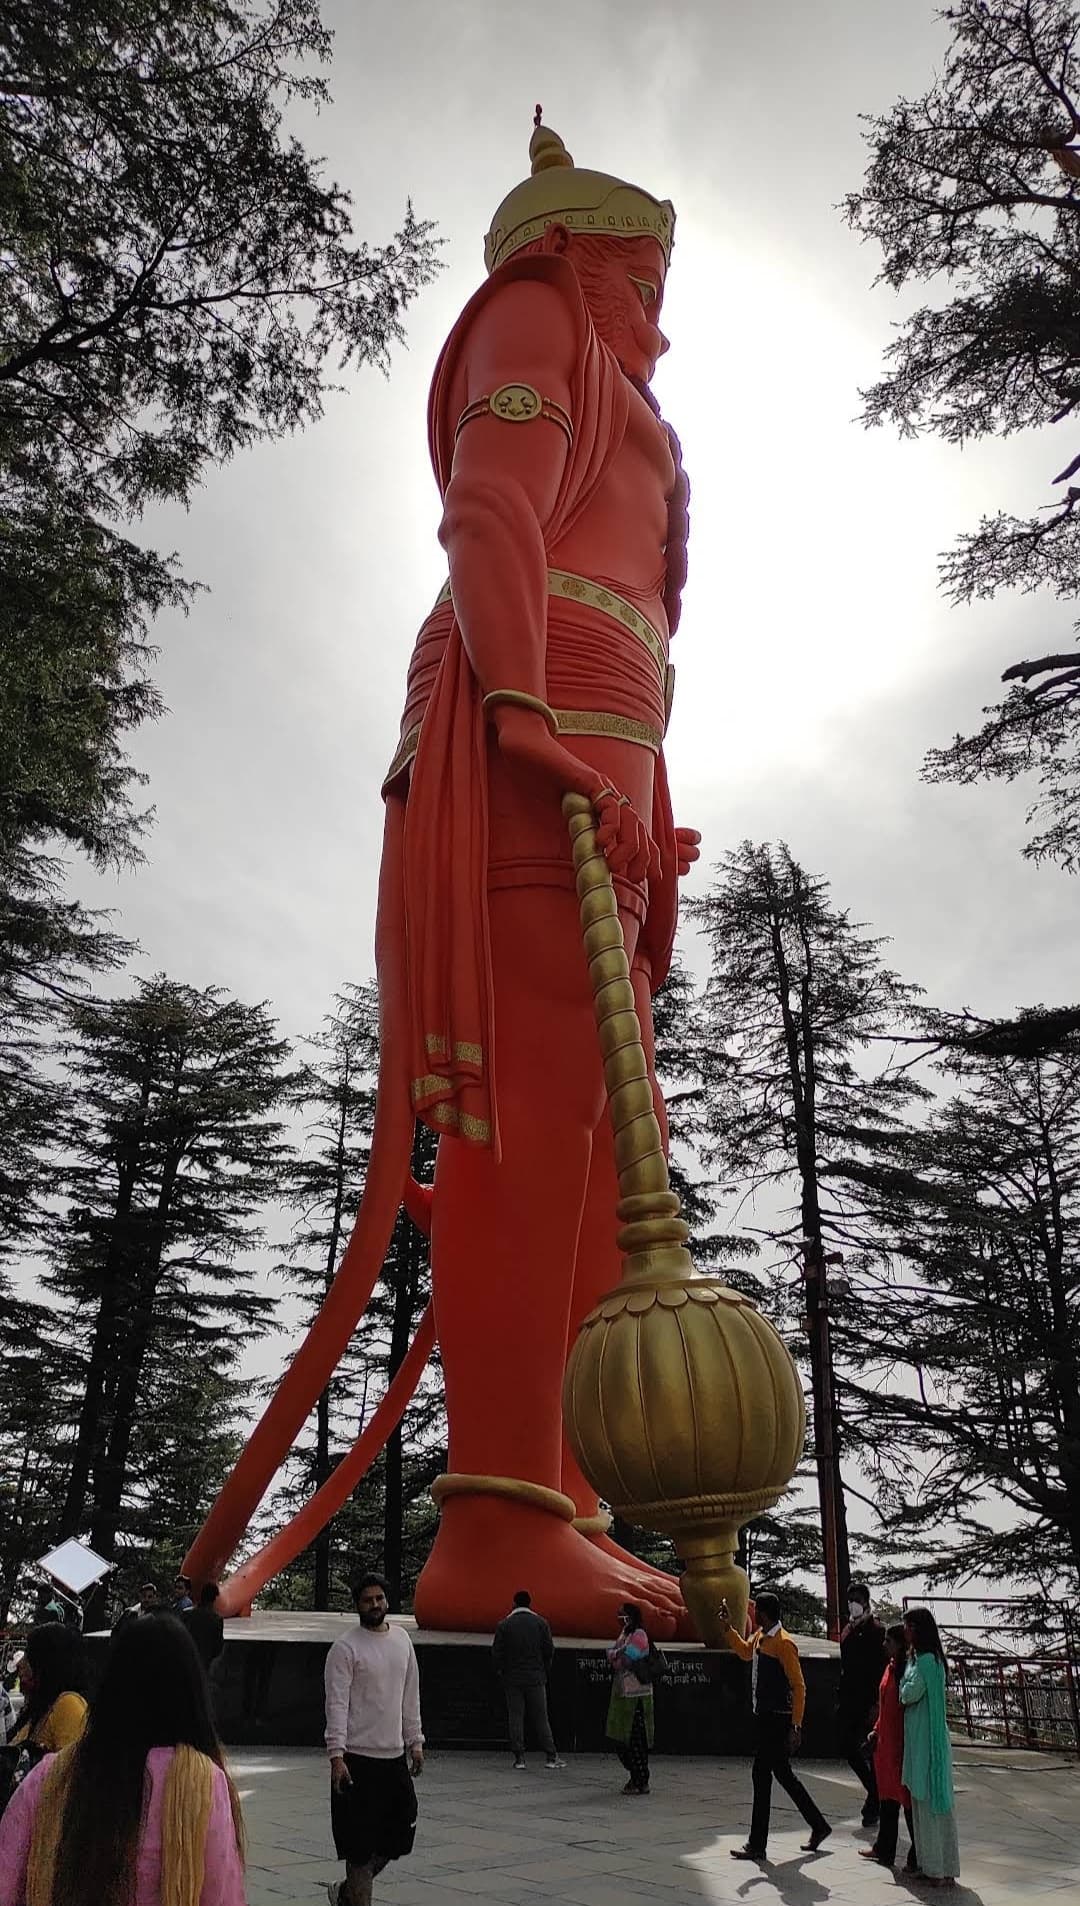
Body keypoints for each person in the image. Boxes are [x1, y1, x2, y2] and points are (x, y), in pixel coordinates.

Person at [184, 115, 704, 1642]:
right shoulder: (534, 320)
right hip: (525, 748)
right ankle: (496, 1518)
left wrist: (650, 806)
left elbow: (641, 634)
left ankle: (568, 1503)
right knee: (528, 1117)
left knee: (602, 1148)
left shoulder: (620, 388)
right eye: (646, 284)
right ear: (581, 259)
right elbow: (490, 509)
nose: (659, 322)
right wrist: (527, 715)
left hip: (605, 765)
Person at [0, 1614, 245, 1906]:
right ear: (192, 1695)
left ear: (112, 1686)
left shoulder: (49, 1777)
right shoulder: (203, 1784)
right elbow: (222, 1894)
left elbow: (6, 1879)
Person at [324, 1573, 424, 1906]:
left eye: (379, 1598)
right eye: (368, 1600)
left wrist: (415, 1741)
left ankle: (346, 1892)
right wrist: (336, 1756)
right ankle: (356, 1896)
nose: (375, 1604)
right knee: (359, 1848)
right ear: (357, 1605)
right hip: (356, 1761)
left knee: (400, 1835)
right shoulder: (345, 1648)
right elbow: (336, 1704)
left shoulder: (402, 1641)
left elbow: (410, 1696)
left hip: (393, 1759)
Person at [721, 1589, 831, 1861]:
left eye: (757, 1610)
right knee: (783, 1774)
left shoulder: (784, 1643)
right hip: (764, 1715)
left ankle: (757, 1843)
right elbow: (745, 1652)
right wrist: (728, 1629)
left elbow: (799, 1685)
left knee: (761, 1775)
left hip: (777, 1719)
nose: (754, 1613)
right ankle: (819, 1825)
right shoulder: (761, 1637)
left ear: (764, 1613)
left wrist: (796, 1725)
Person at [901, 1607, 960, 1887]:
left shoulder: (923, 1662)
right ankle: (942, 1866)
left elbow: (908, 1693)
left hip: (924, 1742)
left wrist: (904, 1681)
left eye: (907, 1626)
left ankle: (934, 1868)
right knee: (937, 1809)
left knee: (926, 1807)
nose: (905, 1632)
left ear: (916, 1629)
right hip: (931, 1740)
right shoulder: (933, 1661)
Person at [859, 1623, 917, 1871]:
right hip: (884, 1742)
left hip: (899, 1744)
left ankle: (917, 1853)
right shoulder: (890, 1668)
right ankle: (885, 1848)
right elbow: (884, 1707)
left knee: (905, 1800)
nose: (884, 1645)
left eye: (888, 1641)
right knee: (887, 1799)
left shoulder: (906, 1672)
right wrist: (876, 1730)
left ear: (900, 1645)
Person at [492, 1590, 565, 1771]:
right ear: (529, 1603)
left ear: (514, 1603)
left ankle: (519, 1758)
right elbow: (549, 1650)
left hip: (512, 1678)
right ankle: (551, 1756)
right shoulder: (541, 1623)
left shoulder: (504, 1625)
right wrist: (543, 1670)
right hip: (536, 1678)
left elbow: (497, 1653)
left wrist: (502, 1671)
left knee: (516, 1717)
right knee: (541, 1718)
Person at [837, 1578, 887, 1825]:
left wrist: (878, 1703)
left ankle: (874, 1802)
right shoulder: (847, 1630)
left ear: (866, 1602)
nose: (853, 1605)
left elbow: (881, 1668)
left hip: (869, 1701)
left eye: (857, 1600)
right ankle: (875, 1794)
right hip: (849, 1699)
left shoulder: (877, 1632)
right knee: (849, 1749)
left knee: (869, 1750)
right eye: (850, 1600)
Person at [10, 1624, 88, 1754]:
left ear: (46, 1665)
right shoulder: (40, 1709)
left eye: (29, 1656)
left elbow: (70, 1764)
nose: (20, 1664)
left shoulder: (68, 1705)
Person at [606, 1603, 654, 1795]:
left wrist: (615, 1654)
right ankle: (636, 1777)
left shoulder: (639, 1635)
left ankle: (640, 1779)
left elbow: (625, 1660)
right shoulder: (625, 1634)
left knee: (636, 1740)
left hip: (637, 1696)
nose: (620, 1618)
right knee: (620, 1738)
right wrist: (617, 1653)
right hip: (623, 1693)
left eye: (623, 1615)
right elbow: (614, 1655)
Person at [184, 1582, 225, 1674]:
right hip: (205, 1663)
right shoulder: (216, 1619)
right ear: (214, 1599)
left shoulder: (188, 1615)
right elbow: (218, 1646)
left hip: (187, 1661)